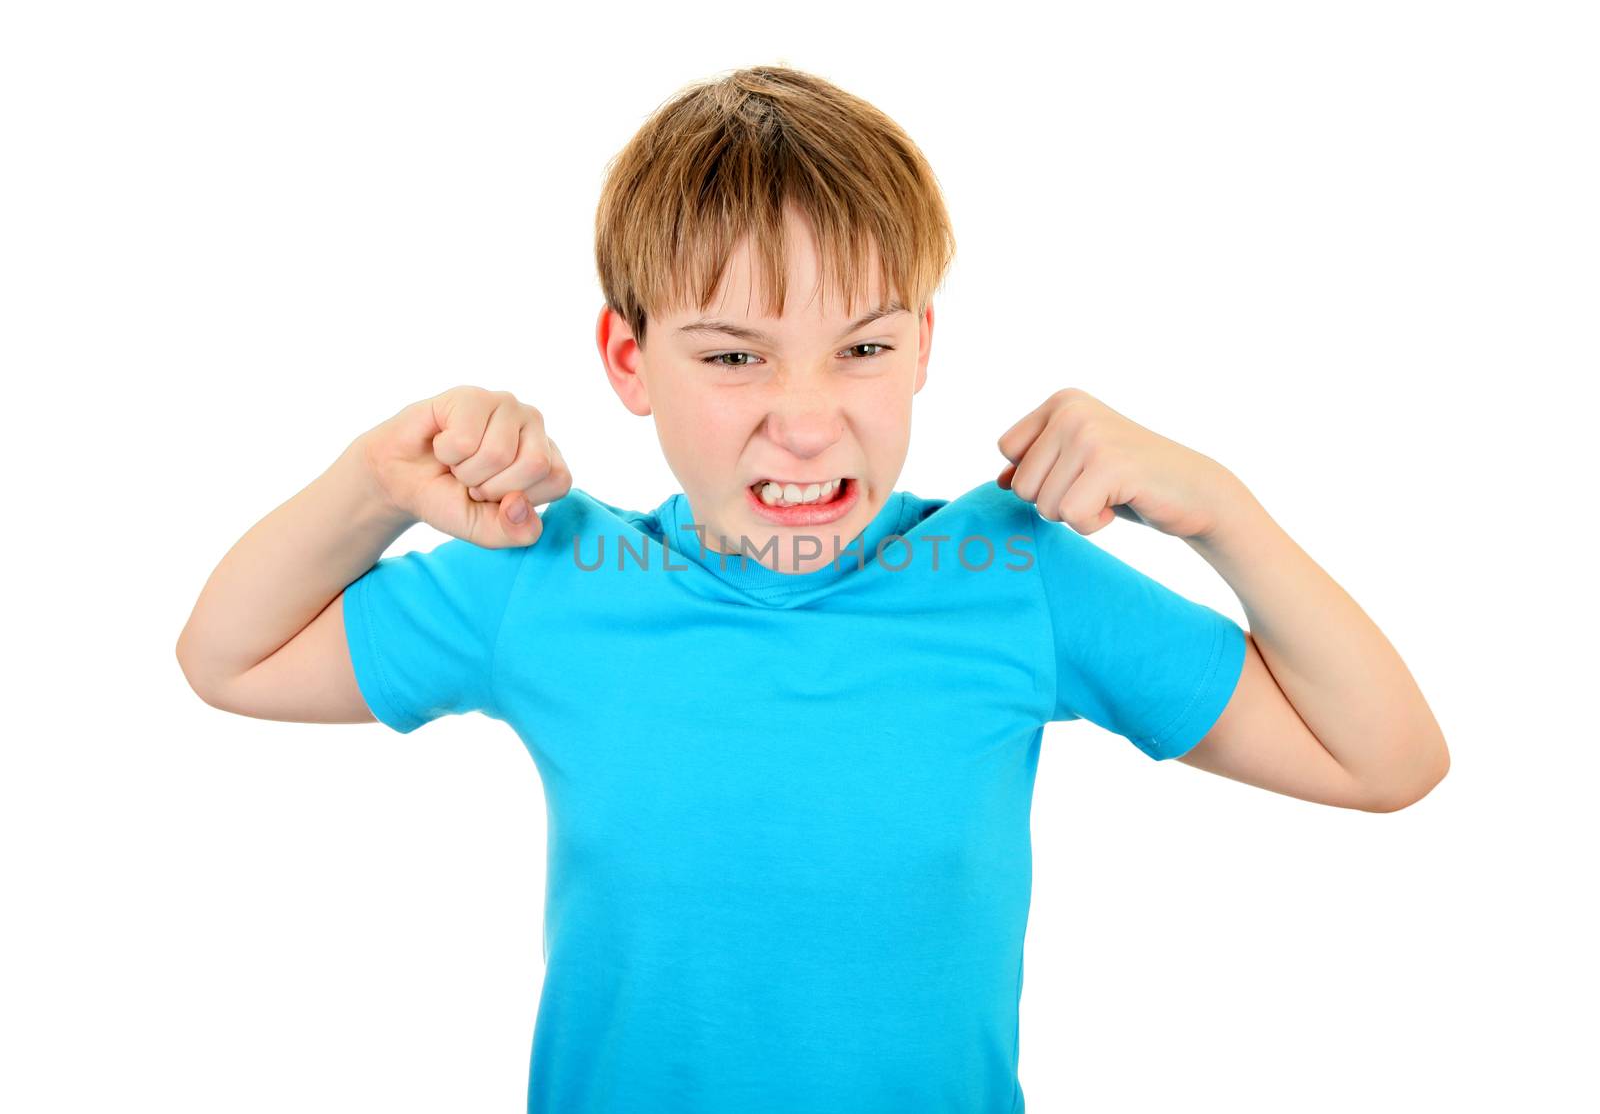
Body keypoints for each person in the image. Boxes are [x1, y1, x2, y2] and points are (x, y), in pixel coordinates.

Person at [176, 64, 1449, 1114]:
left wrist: (1219, 507)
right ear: (629, 359)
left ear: (923, 349)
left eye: (863, 349)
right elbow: (227, 659)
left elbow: (1384, 761)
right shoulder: (546, 576)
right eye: (734, 354)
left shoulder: (1012, 575)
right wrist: (376, 482)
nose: (804, 420)